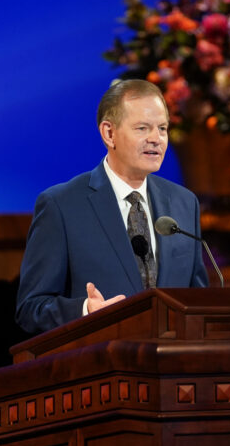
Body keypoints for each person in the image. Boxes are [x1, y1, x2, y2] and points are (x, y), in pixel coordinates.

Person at [15, 79, 209, 334]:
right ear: (109, 133)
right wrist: (85, 311)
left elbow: (198, 302)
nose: (156, 139)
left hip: (174, 367)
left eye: (162, 128)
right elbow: (31, 309)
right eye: (142, 128)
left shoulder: (184, 203)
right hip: (102, 360)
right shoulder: (61, 205)